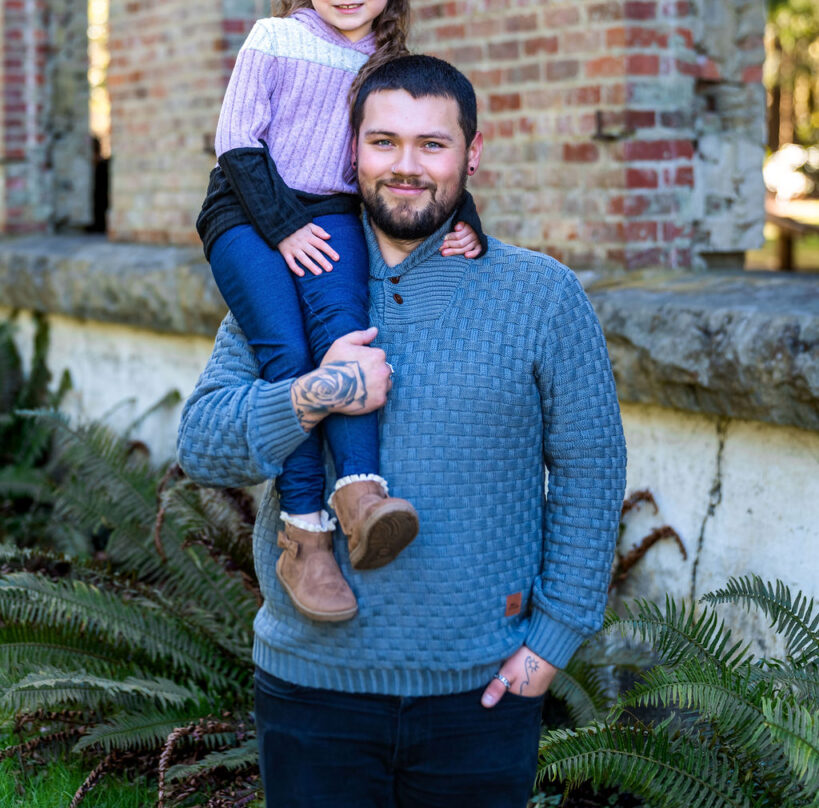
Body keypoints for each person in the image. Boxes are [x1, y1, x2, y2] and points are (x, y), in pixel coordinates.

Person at [178, 54, 627, 808]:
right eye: (383, 142)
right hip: (312, 689)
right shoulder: (285, 281)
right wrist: (315, 393)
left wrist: (552, 642)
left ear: (472, 153)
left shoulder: (540, 294)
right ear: (350, 152)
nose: (406, 166)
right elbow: (201, 444)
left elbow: (589, 469)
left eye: (432, 144)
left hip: (480, 693)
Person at [196, 0, 484, 624]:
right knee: (286, 356)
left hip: (328, 211)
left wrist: (467, 218)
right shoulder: (277, 37)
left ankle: (359, 494)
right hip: (247, 208)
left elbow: (416, 148)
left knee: (346, 338)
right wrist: (284, 227)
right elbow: (234, 142)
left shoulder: (385, 66)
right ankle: (305, 533)